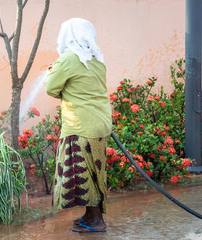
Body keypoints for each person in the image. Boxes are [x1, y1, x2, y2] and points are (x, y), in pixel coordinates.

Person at [45, 18, 112, 233]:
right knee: (96, 172)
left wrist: (53, 71)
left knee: (85, 175)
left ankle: (96, 221)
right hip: (100, 126)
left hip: (80, 127)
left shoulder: (68, 59)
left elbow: (51, 88)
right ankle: (90, 215)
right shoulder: (97, 59)